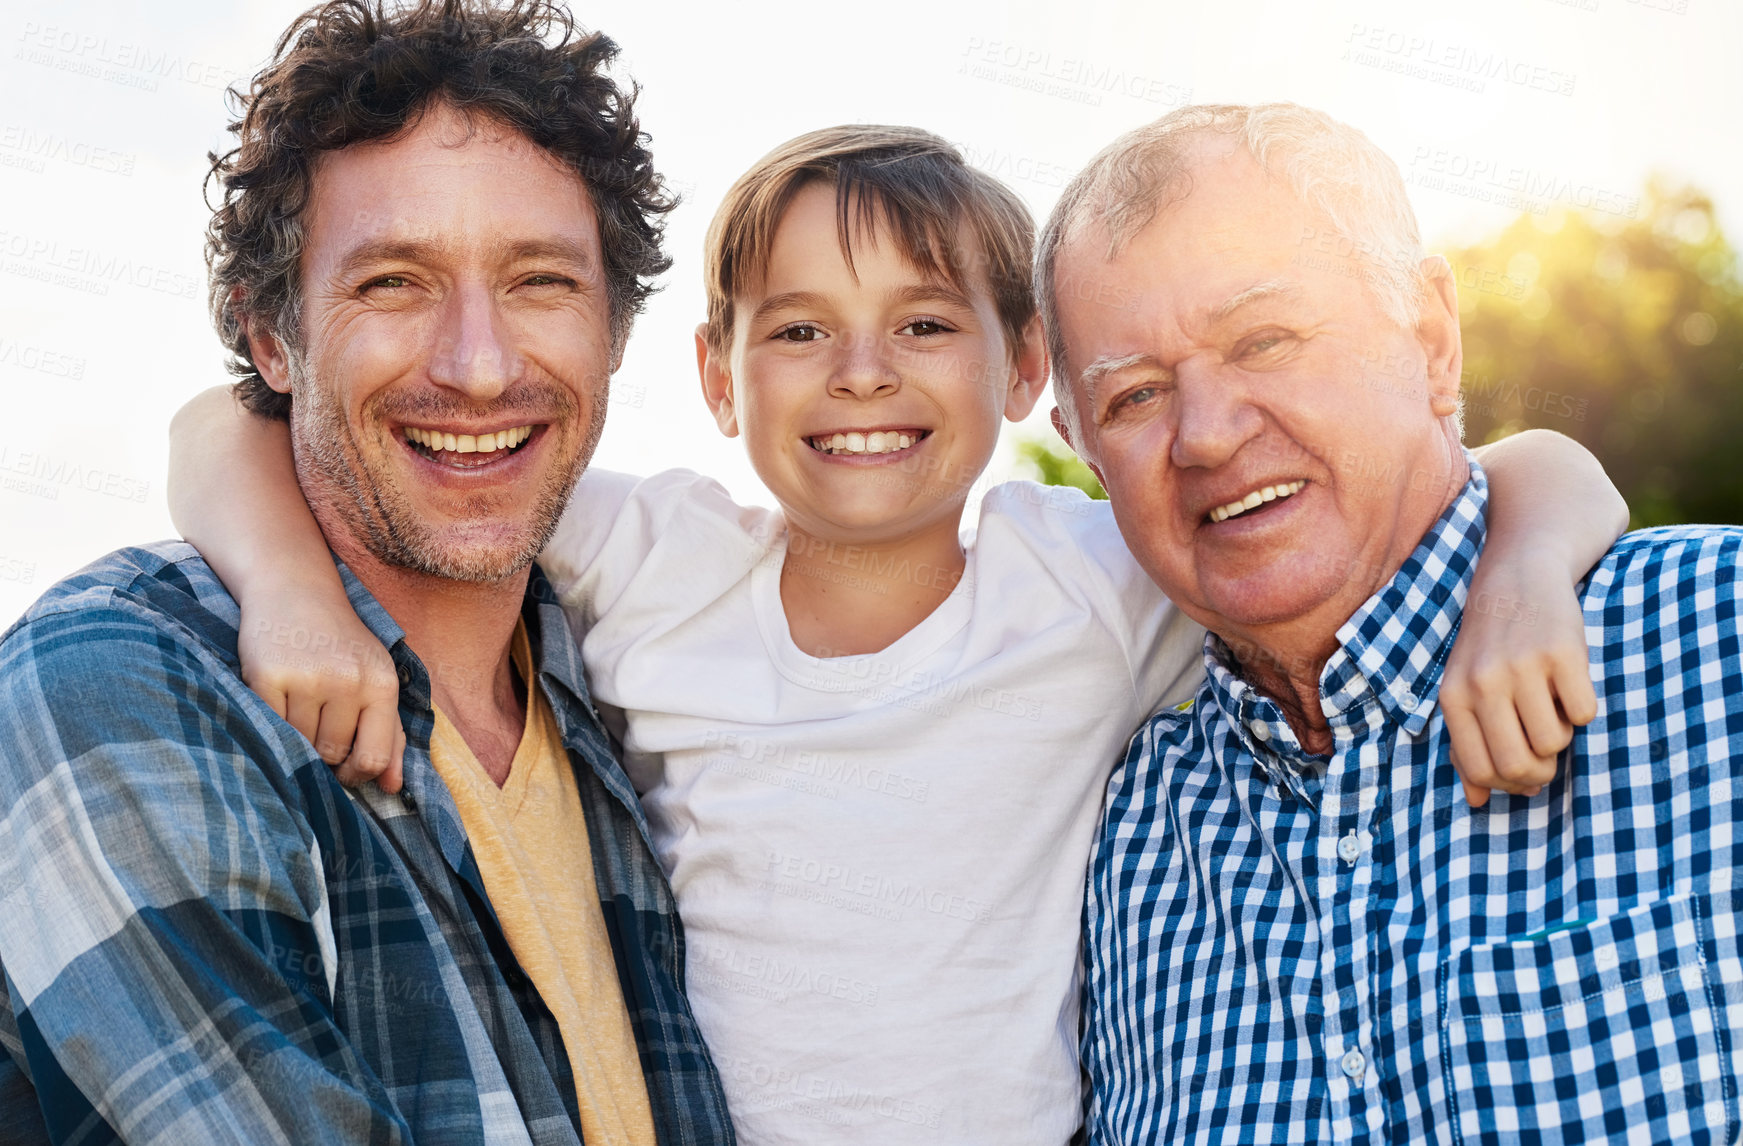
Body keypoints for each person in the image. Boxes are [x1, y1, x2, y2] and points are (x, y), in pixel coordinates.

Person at [170, 122, 1624, 1141]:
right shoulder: (659, 560)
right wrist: (291, 591)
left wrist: (1521, 582)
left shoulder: (1088, 578)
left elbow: (1510, 469)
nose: (860, 374)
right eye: (797, 330)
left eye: (924, 324)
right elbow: (233, 427)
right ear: (718, 377)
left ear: (1024, 371)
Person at [0, 3, 735, 1143]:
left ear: (617, 330)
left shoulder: (635, 682)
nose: (480, 367)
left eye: (542, 281)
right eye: (394, 283)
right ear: (270, 335)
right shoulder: (113, 686)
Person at [1045, 101, 1743, 1145]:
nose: (1206, 433)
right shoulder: (1102, 834)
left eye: (1265, 340)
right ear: (1081, 447)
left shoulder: (1716, 638)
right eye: (1136, 398)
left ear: (1430, 338)